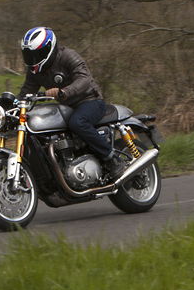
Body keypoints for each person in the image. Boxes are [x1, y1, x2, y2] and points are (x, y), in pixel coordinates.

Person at [18, 26, 126, 177]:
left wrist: (64, 92)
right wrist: (9, 106)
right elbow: (26, 91)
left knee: (78, 122)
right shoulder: (34, 72)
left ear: (50, 48)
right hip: (65, 106)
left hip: (90, 100)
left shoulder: (67, 56)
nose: (33, 59)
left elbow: (84, 79)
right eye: (29, 55)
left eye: (37, 54)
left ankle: (112, 158)